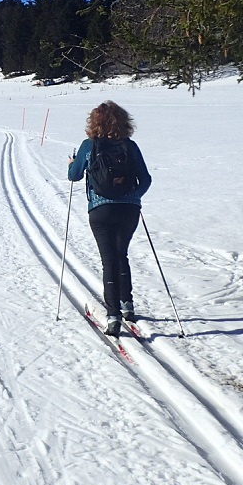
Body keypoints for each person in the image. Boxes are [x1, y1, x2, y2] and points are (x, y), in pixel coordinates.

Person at [67, 101, 152, 337]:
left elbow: (74, 176)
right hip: (129, 210)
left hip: (100, 209)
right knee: (121, 253)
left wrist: (73, 164)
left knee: (109, 259)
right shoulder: (130, 146)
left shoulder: (89, 145)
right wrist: (133, 196)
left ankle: (113, 315)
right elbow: (146, 180)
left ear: (94, 123)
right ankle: (128, 305)